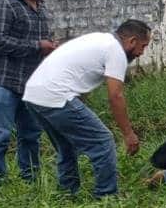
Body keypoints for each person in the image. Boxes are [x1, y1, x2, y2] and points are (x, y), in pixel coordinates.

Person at [22, 20, 151, 198]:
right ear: (132, 41)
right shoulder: (116, 51)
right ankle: (107, 196)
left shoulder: (100, 40)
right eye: (143, 47)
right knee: (103, 141)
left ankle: (67, 193)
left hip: (34, 95)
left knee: (66, 146)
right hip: (56, 95)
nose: (141, 53)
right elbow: (115, 96)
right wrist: (128, 134)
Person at [0, 0, 60, 181]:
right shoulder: (3, 4)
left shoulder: (40, 7)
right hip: (1, 80)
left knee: (31, 134)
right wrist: (37, 46)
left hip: (30, 83)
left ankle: (30, 179)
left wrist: (48, 47)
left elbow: (37, 41)